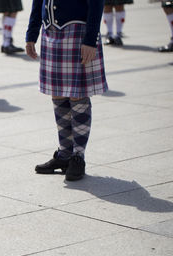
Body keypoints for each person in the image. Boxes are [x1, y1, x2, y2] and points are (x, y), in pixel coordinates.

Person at [26, 0, 108, 181]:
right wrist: (31, 34)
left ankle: (78, 157)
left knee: (77, 95)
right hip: (50, 32)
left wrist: (90, 39)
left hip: (78, 32)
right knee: (57, 93)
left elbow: (96, 3)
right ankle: (65, 155)